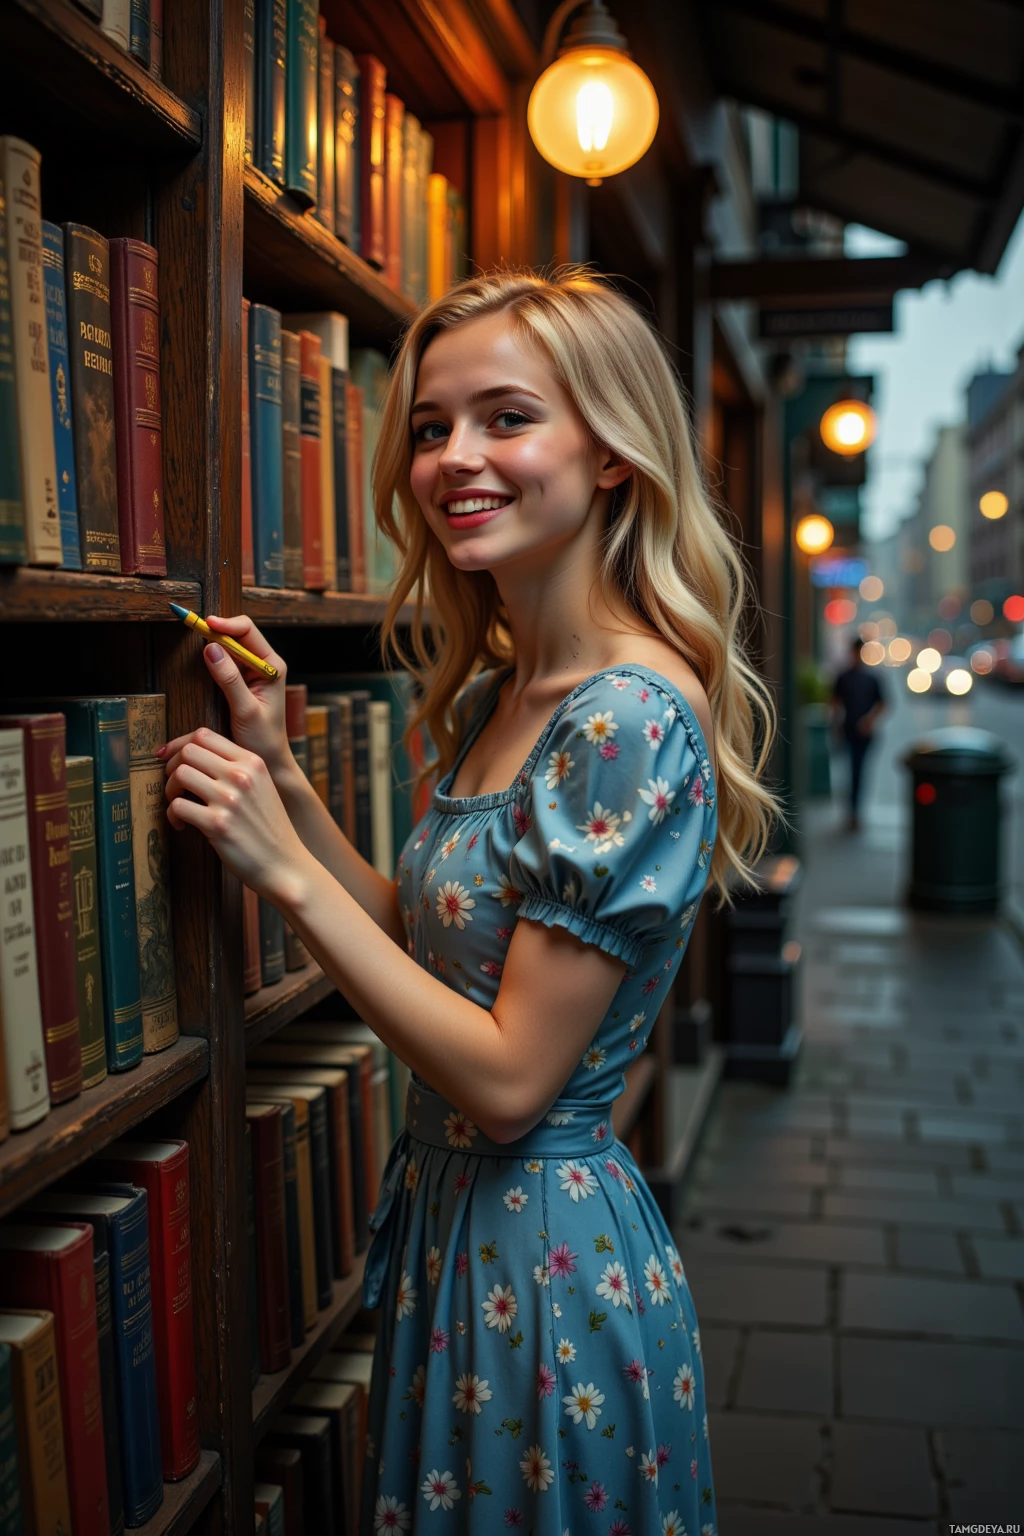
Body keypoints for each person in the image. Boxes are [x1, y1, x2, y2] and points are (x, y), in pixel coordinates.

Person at [160, 268, 777, 1533]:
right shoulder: (511, 692)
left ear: (611, 453)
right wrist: (282, 773)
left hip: (543, 1270)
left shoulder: (624, 716)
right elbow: (423, 950)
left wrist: (278, 868)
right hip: (465, 1240)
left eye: (506, 418)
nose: (455, 458)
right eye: (432, 427)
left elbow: (503, 1082)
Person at [831, 637, 887, 831]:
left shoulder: (871, 678)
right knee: (853, 771)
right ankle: (853, 811)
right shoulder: (844, 677)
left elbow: (883, 704)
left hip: (864, 734)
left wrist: (869, 721)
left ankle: (855, 811)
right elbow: (834, 702)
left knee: (859, 771)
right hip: (848, 730)